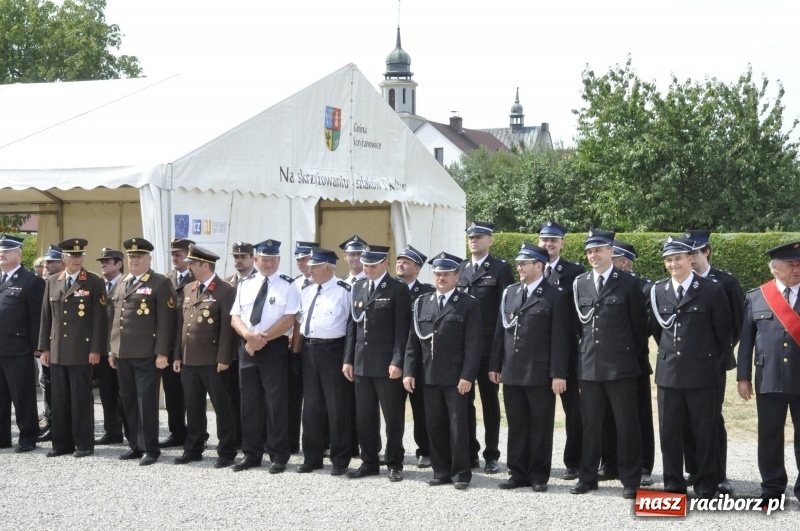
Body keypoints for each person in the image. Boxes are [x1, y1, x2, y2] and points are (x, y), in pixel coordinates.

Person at [489, 243, 575, 492]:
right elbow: (500, 332)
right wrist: (495, 364)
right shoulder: (511, 293)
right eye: (518, 264)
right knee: (516, 424)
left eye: (524, 264)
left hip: (539, 373)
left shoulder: (555, 296)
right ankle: (517, 472)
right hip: (512, 370)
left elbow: (561, 339)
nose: (519, 268)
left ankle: (538, 474)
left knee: (540, 425)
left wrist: (558, 373)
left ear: (539, 265)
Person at [650, 236, 731, 498]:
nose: (674, 264)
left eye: (679, 258)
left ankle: (706, 485)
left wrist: (703, 359)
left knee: (704, 431)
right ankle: (673, 484)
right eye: (669, 260)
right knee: (670, 433)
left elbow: (723, 334)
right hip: (669, 374)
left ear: (690, 259)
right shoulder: (657, 291)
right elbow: (656, 330)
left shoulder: (711, 289)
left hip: (702, 373)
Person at [571, 229, 646, 499]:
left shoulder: (628, 283)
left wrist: (622, 353)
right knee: (590, 424)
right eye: (589, 251)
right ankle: (587, 477)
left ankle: (630, 479)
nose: (593, 255)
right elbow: (577, 327)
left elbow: (639, 328)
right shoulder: (579, 283)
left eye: (599, 250)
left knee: (627, 424)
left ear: (611, 252)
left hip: (620, 366)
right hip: (589, 366)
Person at [404, 252, 482, 490]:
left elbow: (474, 344)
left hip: (456, 377)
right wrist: (409, 371)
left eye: (446, 274)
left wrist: (468, 376)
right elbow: (412, 342)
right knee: (434, 424)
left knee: (458, 426)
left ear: (456, 277)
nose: (441, 278)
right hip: (429, 375)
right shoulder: (422, 303)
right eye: (437, 274)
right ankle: (441, 471)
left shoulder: (468, 304)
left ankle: (461, 473)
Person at [737, 240, 800, 503]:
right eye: (791, 264)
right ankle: (772, 488)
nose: (797, 269)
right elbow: (746, 340)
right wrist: (743, 377)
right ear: (775, 268)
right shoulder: (756, 296)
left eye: (799, 264)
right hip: (769, 377)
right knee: (769, 435)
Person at [229, 239, 298, 472]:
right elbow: (235, 317)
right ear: (256, 260)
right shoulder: (245, 284)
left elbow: (289, 319)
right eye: (264, 259)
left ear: (279, 260)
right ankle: (251, 454)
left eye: (273, 259)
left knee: (275, 403)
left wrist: (261, 339)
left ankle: (278, 455)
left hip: (274, 348)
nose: (269, 263)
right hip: (247, 347)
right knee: (249, 403)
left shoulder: (289, 285)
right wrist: (249, 337)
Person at [684, 229, 744, 495]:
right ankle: (695, 469)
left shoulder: (726, 282)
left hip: (714, 363)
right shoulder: (679, 280)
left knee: (710, 418)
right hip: (684, 364)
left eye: (695, 253)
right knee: (685, 416)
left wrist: (720, 354)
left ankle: (717, 473)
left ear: (706, 252)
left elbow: (737, 324)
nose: (691, 259)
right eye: (687, 254)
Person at [344, 245, 411, 481]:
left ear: (384, 263)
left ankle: (395, 463)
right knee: (364, 416)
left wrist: (397, 361)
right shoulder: (358, 287)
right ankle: (369, 461)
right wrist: (348, 359)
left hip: (386, 365)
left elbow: (402, 331)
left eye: (373, 265)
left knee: (392, 416)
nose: (368, 269)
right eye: (365, 265)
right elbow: (353, 326)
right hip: (362, 363)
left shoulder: (397, 289)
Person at [109, 237, 177, 466]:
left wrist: (162, 354)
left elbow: (165, 322)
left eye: (139, 256)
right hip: (123, 354)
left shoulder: (160, 282)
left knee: (146, 402)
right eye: (131, 256)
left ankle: (150, 448)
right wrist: (112, 349)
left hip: (147, 354)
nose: (134, 260)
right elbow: (115, 319)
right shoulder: (122, 282)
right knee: (128, 401)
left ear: (149, 258)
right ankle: (135, 445)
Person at [38, 238, 107, 458]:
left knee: (80, 399)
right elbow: (46, 318)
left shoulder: (94, 282)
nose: (77, 260)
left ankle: (83, 444)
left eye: (80, 256)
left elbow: (100, 319)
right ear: (63, 258)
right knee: (59, 399)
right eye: (72, 256)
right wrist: (44, 349)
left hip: (82, 350)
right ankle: (61, 444)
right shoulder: (53, 281)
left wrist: (96, 349)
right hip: (57, 350)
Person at [172, 245, 237, 468]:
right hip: (190, 359)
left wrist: (224, 358)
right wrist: (178, 355)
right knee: (193, 405)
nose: (188, 266)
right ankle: (193, 448)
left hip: (213, 360)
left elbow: (227, 330)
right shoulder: (189, 288)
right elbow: (183, 326)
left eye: (192, 263)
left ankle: (227, 451)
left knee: (221, 407)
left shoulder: (225, 290)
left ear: (205, 265)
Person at [456, 221, 513, 473]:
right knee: (463, 400)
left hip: (489, 348)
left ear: (490, 241)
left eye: (479, 237)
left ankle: (492, 454)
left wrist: (499, 353)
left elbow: (505, 313)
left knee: (490, 401)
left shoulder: (500, 269)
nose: (474, 241)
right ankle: (470, 452)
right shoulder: (459, 268)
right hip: (464, 349)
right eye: (471, 237)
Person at [599, 240, 656, 486]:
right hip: (604, 363)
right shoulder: (600, 284)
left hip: (633, 362)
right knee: (606, 416)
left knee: (636, 416)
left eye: (611, 259)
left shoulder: (643, 287)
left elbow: (646, 327)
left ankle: (642, 465)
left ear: (623, 262)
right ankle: (610, 463)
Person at [294, 247, 353, 475]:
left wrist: (347, 359)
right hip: (310, 351)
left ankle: (340, 459)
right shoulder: (307, 290)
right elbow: (299, 323)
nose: (310, 270)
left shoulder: (344, 291)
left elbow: (351, 327)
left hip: (333, 351)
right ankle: (312, 457)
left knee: (336, 406)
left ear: (327, 267)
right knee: (311, 406)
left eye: (314, 266)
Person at [538, 220, 585, 480]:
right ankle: (536, 461)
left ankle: (573, 461)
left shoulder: (574, 272)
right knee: (538, 410)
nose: (549, 244)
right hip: (537, 352)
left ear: (562, 243)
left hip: (567, 350)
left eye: (554, 240)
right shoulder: (529, 269)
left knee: (574, 410)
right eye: (545, 240)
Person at [0, 234, 44, 453]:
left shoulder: (31, 281)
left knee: (23, 396)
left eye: (6, 251)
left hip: (19, 348)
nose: (1, 254)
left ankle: (28, 437)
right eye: (1, 250)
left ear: (18, 254)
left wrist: (38, 347)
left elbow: (37, 317)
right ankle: (2, 437)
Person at [395, 244, 435, 468]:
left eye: (406, 262)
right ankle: (395, 450)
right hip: (393, 358)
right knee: (393, 410)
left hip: (418, 360)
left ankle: (425, 450)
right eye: (399, 261)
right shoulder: (388, 289)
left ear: (417, 269)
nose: (400, 264)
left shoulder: (427, 293)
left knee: (421, 409)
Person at [160, 238, 194, 448]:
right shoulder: (166, 279)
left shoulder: (196, 278)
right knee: (173, 393)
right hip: (171, 345)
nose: (175, 257)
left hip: (191, 345)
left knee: (193, 393)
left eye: (179, 254)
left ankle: (198, 432)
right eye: (173, 254)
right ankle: (177, 431)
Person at [225, 241, 257, 447]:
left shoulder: (259, 281)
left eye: (243, 257)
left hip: (252, 345)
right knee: (231, 395)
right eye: (236, 257)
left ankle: (255, 438)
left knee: (253, 396)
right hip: (230, 348)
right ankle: (236, 436)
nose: (239, 260)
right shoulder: (226, 283)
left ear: (253, 258)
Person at [288, 240, 318, 454]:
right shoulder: (294, 284)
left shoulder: (322, 284)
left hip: (309, 345)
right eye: (298, 259)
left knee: (316, 398)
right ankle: (291, 442)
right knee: (291, 397)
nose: (301, 263)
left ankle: (320, 442)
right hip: (288, 347)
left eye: (305, 258)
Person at [94, 248, 127, 444]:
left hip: (123, 349)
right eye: (102, 261)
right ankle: (112, 431)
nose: (103, 264)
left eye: (108, 261)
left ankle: (134, 433)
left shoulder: (127, 283)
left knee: (127, 393)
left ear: (119, 264)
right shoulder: (99, 285)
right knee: (107, 393)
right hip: (104, 349)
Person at [38, 244, 65, 442]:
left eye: (50, 262)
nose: (46, 266)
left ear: (61, 262)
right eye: (45, 262)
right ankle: (52, 423)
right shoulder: (44, 283)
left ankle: (66, 426)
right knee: (48, 386)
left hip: (67, 347)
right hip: (49, 345)